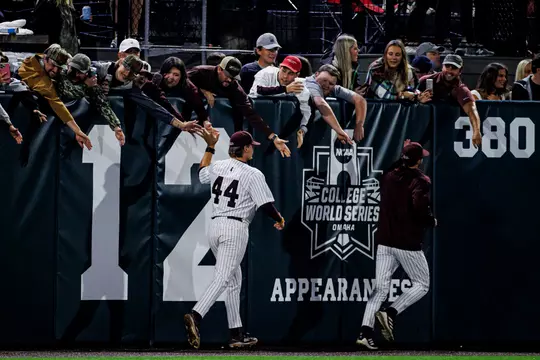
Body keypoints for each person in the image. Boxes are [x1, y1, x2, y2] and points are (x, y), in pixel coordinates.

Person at [183, 129, 285, 349]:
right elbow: (266, 205)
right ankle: (196, 315)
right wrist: (279, 218)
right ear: (245, 148)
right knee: (223, 277)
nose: (252, 150)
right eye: (251, 146)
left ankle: (236, 334)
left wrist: (210, 147)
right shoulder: (253, 173)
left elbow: (201, 173)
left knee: (233, 280)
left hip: (215, 225)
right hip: (235, 228)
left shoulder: (218, 166)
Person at [356, 140, 436, 350]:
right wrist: (431, 220)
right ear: (418, 161)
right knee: (422, 284)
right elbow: (419, 207)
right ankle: (391, 312)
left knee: (380, 290)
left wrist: (403, 154)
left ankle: (365, 333)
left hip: (384, 240)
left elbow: (394, 167)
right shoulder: (421, 180)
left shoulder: (389, 177)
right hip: (406, 242)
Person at [188, 56, 291, 158]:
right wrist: (201, 91)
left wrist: (273, 137)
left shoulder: (235, 87)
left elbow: (251, 114)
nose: (229, 79)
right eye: (227, 75)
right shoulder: (201, 72)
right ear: (219, 69)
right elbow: (180, 82)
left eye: (233, 78)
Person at [17, 44, 92, 150]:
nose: (55, 70)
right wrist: (77, 130)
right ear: (45, 59)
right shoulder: (35, 74)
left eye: (59, 67)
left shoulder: (45, 62)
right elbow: (56, 102)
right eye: (53, 65)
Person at [56, 53, 126, 145]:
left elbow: (102, 103)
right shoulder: (62, 73)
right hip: (59, 118)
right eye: (74, 70)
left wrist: (116, 126)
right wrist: (86, 85)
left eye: (80, 72)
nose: (76, 74)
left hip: (76, 124)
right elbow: (69, 92)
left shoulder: (89, 81)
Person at [417, 54, 482, 148]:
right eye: (447, 66)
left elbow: (472, 109)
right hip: (420, 127)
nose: (449, 70)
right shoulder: (425, 80)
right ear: (442, 66)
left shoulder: (461, 89)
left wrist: (476, 131)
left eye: (454, 67)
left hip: (444, 131)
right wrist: (418, 99)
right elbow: (410, 99)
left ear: (460, 70)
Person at [249, 55, 311, 148]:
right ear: (279, 67)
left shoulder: (299, 86)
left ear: (297, 75)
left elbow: (305, 110)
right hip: (256, 120)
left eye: (291, 73)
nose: (285, 76)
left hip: (278, 125)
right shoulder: (266, 73)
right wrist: (285, 89)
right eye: (284, 71)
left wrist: (302, 129)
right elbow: (258, 91)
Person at [305, 64, 363, 143]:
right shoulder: (311, 83)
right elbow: (320, 104)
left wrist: (359, 125)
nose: (327, 85)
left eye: (331, 83)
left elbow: (360, 100)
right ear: (316, 74)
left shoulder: (331, 88)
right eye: (324, 80)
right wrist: (339, 130)